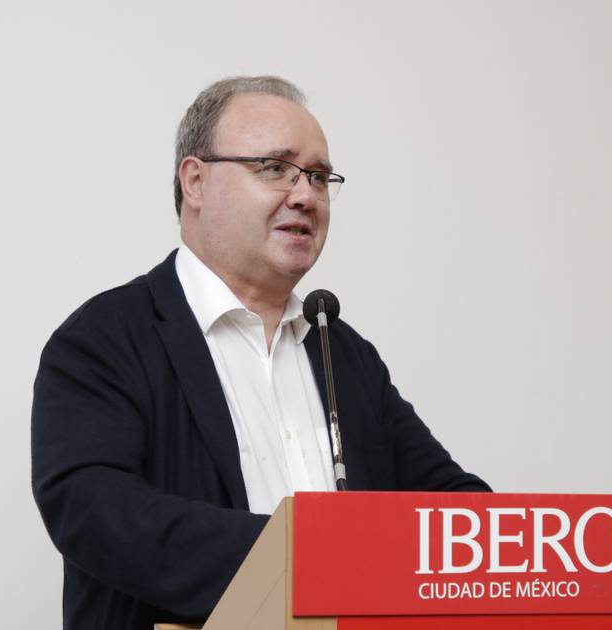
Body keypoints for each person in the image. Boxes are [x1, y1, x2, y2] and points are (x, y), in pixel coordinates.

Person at [31, 75, 490, 630]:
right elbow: (97, 514)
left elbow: (460, 513)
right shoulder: (104, 339)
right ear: (195, 180)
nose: (305, 195)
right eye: (275, 168)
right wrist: (314, 558)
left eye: (319, 177)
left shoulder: (341, 352)